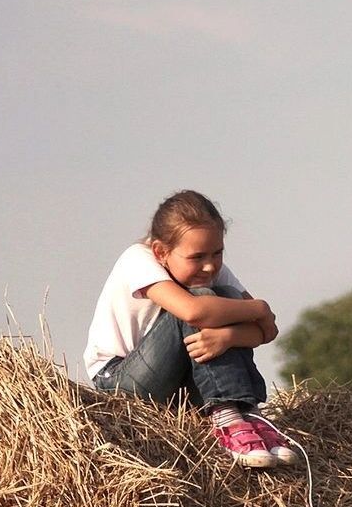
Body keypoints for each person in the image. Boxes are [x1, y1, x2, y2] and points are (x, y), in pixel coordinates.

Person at [84, 190, 294, 468]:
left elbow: (267, 332)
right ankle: (228, 419)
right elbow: (194, 312)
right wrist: (260, 308)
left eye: (217, 253)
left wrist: (228, 337)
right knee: (204, 299)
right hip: (119, 381)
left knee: (225, 296)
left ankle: (249, 415)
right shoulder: (137, 259)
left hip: (175, 380)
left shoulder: (210, 269)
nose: (209, 265)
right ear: (161, 251)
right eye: (197, 257)